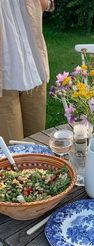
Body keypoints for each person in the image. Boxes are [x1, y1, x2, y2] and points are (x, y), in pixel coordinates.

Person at [0, 0, 55, 144]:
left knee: (37, 144)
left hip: (34, 68)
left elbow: (47, 4)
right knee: (14, 153)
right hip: (4, 80)